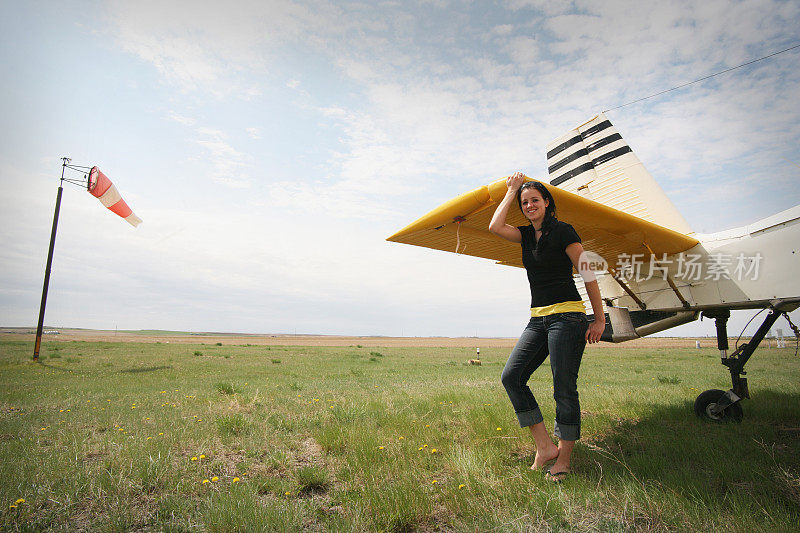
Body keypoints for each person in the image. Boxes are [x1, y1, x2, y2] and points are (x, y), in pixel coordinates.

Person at [489, 172, 605, 482]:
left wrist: (599, 318)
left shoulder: (563, 231)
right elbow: (495, 227)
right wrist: (511, 190)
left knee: (563, 388)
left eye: (534, 200)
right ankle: (544, 447)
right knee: (512, 376)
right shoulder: (526, 235)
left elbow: (588, 273)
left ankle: (564, 459)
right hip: (538, 318)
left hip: (568, 317)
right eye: (524, 202)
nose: (529, 206)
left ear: (547, 202)